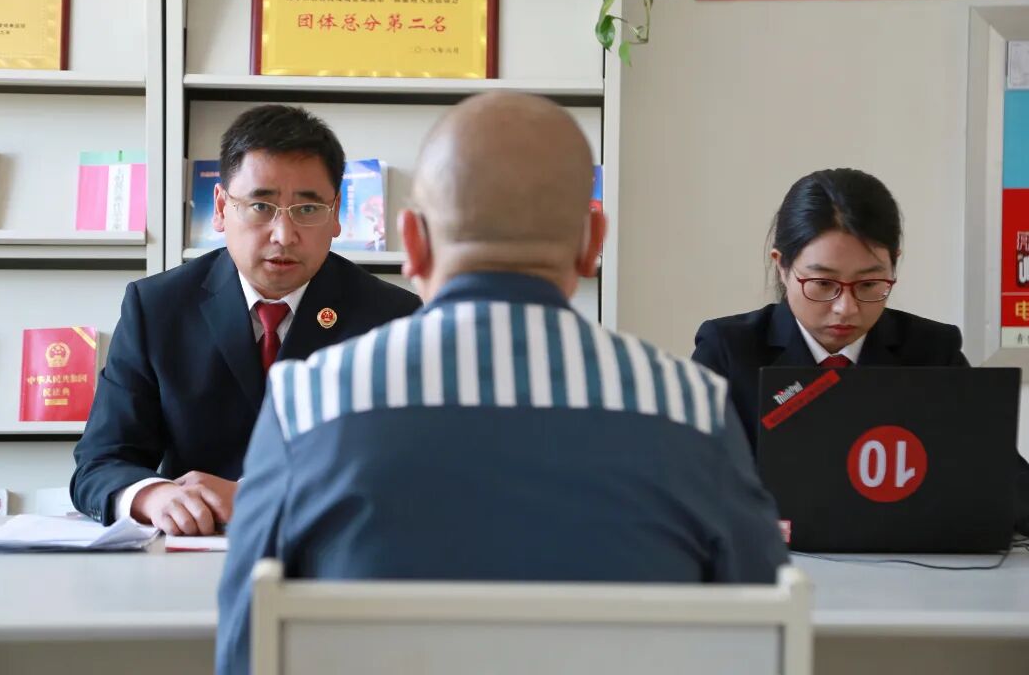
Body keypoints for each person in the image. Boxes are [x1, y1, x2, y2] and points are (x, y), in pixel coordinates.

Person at [215, 92, 788, 675]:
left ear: (413, 240)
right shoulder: (691, 406)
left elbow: (245, 649)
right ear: (593, 241)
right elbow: (760, 638)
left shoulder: (306, 402)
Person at [70, 105, 421, 534]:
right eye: (260, 206)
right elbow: (100, 462)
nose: (283, 235)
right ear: (221, 208)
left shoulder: (393, 319)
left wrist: (262, 497)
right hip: (189, 548)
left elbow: (412, 471)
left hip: (335, 549)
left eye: (308, 209)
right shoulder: (158, 308)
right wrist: (150, 495)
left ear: (336, 214)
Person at [691, 167, 1029, 533]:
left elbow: (1002, 481)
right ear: (783, 266)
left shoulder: (931, 351)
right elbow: (685, 486)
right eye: (823, 283)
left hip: (908, 563)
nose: (846, 308)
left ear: (894, 263)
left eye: (869, 284)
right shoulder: (729, 352)